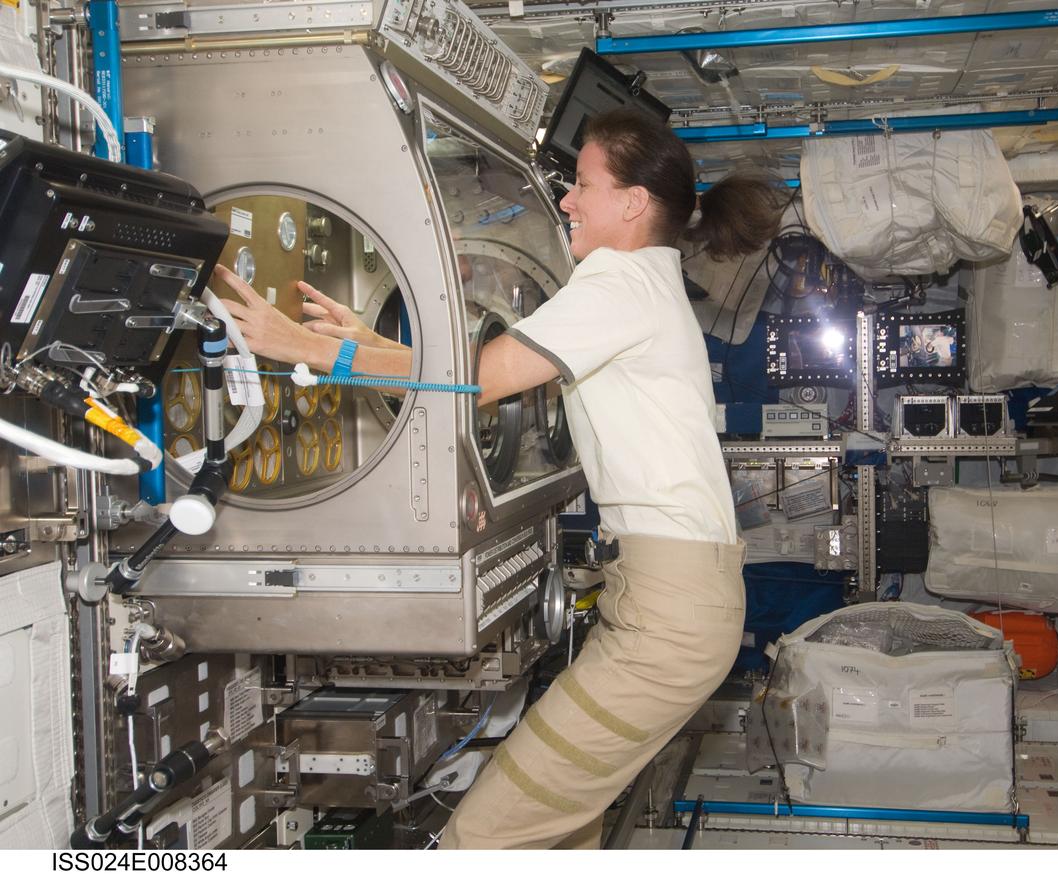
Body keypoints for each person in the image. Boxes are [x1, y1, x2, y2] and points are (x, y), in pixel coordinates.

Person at [216, 108, 783, 848]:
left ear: (633, 203)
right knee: (559, 826)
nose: (569, 202)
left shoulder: (618, 280)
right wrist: (374, 344)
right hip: (678, 600)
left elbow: (476, 382)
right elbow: (477, 374)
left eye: (582, 185)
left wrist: (313, 351)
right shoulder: (646, 283)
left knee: (480, 839)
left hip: (669, 617)